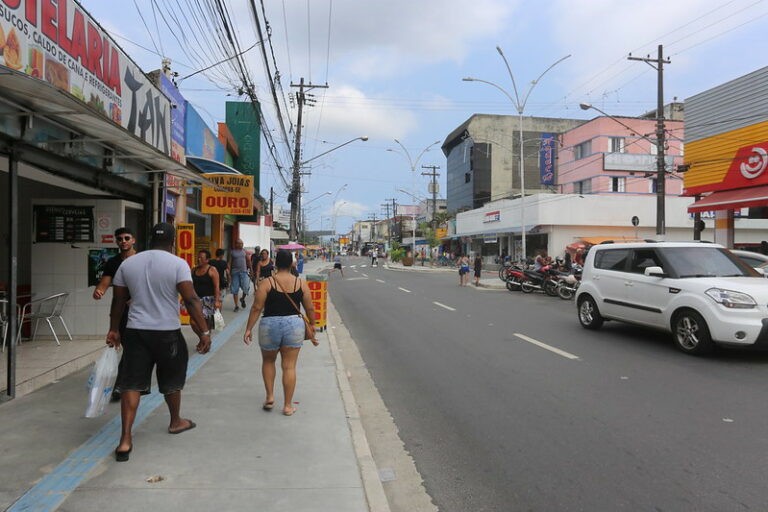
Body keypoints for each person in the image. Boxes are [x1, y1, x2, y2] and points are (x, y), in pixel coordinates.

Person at [106, 223, 211, 462]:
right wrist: (204, 332)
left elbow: (118, 301)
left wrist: (113, 329)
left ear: (147, 239)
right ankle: (175, 421)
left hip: (135, 332)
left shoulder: (128, 264)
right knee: (172, 378)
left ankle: (125, 440)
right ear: (173, 241)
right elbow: (191, 299)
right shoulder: (177, 264)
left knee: (131, 384)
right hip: (167, 332)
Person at [244, 250, 318, 416]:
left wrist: (248, 328)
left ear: (276, 263)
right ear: (292, 263)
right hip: (294, 325)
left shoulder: (267, 283)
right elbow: (310, 307)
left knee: (268, 362)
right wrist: (312, 325)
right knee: (289, 366)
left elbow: (256, 307)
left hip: (269, 324)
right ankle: (287, 406)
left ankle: (270, 397)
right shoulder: (301, 284)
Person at [93, 226, 137, 402]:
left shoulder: (142, 259)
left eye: (127, 238)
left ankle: (121, 384)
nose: (123, 241)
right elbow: (104, 283)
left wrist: (138, 298)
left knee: (133, 348)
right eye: (120, 239)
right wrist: (99, 291)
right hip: (120, 311)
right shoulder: (112, 262)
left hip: (141, 310)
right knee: (128, 347)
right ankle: (124, 383)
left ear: (133, 240)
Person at [191, 249, 222, 330]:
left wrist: (217, 300)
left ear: (207, 260)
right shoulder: (193, 270)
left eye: (201, 258)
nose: (198, 259)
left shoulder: (212, 270)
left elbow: (216, 286)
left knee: (206, 323)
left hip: (208, 300)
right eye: (198, 257)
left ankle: (205, 340)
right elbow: (190, 285)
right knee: (193, 322)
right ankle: (204, 339)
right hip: (197, 300)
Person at [228, 239, 249, 312]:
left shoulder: (244, 251)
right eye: (240, 243)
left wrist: (251, 271)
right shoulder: (232, 252)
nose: (241, 245)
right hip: (235, 273)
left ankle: (242, 298)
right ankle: (236, 306)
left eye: (242, 243)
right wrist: (228, 273)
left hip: (244, 272)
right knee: (235, 289)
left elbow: (248, 261)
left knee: (246, 288)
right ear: (236, 244)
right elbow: (229, 262)